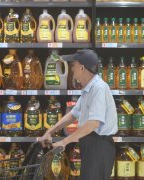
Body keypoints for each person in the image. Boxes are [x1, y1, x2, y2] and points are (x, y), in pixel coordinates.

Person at [38, 49, 118, 179]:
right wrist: (50, 131)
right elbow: (73, 114)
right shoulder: (88, 89)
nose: (71, 69)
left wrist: (64, 142)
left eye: (73, 65)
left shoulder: (98, 88)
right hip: (90, 143)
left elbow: (93, 123)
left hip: (99, 146)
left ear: (82, 67)